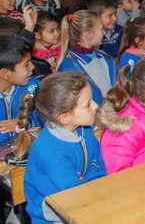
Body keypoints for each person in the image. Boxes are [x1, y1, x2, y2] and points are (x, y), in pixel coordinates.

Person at [18, 72, 106, 224]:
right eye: (88, 104)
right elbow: (76, 198)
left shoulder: (83, 129)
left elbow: (98, 166)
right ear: (65, 118)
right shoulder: (51, 155)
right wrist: (87, 187)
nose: (96, 106)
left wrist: (91, 185)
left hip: (86, 201)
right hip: (55, 219)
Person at [56, 10, 117, 105]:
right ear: (89, 35)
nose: (104, 33)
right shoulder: (68, 67)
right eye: (102, 29)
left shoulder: (105, 57)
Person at [0, 35, 40, 143]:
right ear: (5, 73)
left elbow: (50, 113)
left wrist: (27, 122)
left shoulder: (33, 86)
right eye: (26, 65)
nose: (32, 67)